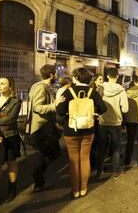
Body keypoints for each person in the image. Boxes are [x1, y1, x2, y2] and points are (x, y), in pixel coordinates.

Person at [56, 67, 107, 198]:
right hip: (88, 129)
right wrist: (95, 114)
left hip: (71, 129)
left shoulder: (68, 92)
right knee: (85, 158)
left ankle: (75, 189)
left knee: (74, 159)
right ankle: (84, 188)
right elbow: (104, 108)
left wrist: (58, 103)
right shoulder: (93, 92)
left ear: (76, 78)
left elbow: (60, 112)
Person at [27, 64, 64, 192]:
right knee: (46, 155)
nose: (56, 76)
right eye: (55, 74)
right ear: (51, 75)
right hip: (40, 129)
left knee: (53, 153)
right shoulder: (41, 88)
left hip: (44, 127)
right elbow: (37, 107)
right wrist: (55, 104)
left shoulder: (43, 86)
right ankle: (38, 179)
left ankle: (38, 177)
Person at [96, 68, 128, 180]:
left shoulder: (100, 88)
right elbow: (125, 109)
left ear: (107, 76)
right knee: (116, 148)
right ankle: (116, 171)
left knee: (102, 148)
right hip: (116, 123)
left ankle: (99, 171)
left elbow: (96, 104)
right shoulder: (121, 90)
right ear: (117, 76)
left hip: (102, 122)